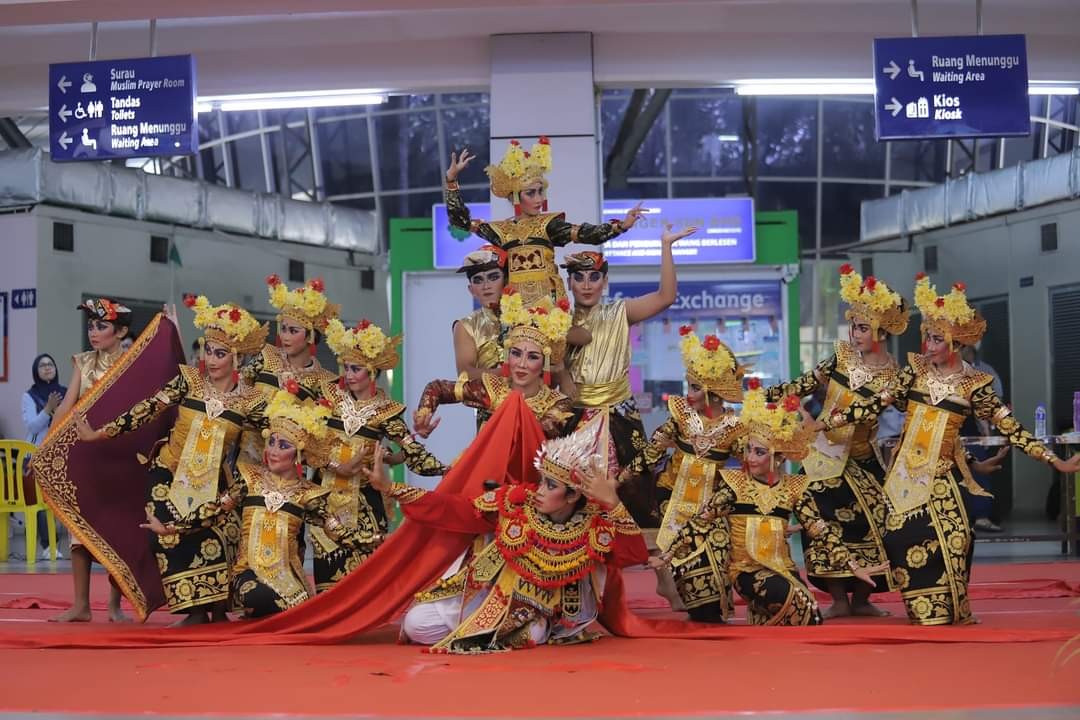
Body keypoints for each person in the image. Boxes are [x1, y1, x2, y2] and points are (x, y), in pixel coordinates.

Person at [817, 275, 1080, 625]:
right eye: (927, 336)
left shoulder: (975, 384)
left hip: (942, 477)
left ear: (956, 342)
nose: (928, 344)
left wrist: (1053, 461)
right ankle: (922, 605)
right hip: (903, 477)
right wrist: (824, 423)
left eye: (937, 338)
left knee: (957, 538)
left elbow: (1010, 427)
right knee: (898, 538)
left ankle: (952, 606)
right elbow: (872, 406)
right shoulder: (914, 373)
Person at [374, 412, 647, 653]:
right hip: (486, 593)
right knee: (416, 624)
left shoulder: (592, 526)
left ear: (573, 495)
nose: (539, 490)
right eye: (542, 481)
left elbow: (634, 554)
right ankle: (480, 633)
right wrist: (391, 489)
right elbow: (456, 509)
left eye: (551, 486)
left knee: (532, 633)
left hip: (535, 610)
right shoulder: (517, 499)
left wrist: (612, 504)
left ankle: (490, 633)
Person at [75, 297, 268, 625]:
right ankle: (193, 611)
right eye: (208, 350)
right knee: (162, 534)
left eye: (220, 353)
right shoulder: (189, 381)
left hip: (216, 481)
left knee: (220, 534)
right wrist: (99, 434)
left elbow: (255, 451)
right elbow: (147, 409)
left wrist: (236, 493)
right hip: (168, 470)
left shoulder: (252, 401)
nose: (212, 359)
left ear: (236, 357)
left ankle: (218, 608)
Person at [653, 383, 884, 626]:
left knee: (810, 613)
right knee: (797, 605)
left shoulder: (795, 489)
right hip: (746, 571)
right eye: (749, 450)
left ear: (779, 457)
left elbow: (821, 531)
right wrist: (667, 555)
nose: (750, 458)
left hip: (783, 569)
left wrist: (854, 566)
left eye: (759, 452)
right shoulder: (735, 485)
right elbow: (701, 521)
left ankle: (765, 618)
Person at [142, 390, 382, 617]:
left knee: (294, 605)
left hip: (289, 580)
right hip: (249, 574)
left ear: (298, 454)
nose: (273, 451)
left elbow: (339, 533)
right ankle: (285, 615)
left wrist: (378, 542)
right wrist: (170, 527)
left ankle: (289, 615)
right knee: (255, 595)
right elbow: (214, 511)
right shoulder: (249, 479)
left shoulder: (308, 495)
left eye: (283, 446)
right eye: (271, 442)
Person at [764, 266, 908, 618]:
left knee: (872, 525)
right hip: (822, 457)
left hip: (863, 458)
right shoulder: (841, 358)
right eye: (853, 327)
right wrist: (760, 396)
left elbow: (904, 411)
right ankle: (839, 600)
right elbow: (801, 386)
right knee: (824, 527)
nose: (855, 334)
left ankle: (862, 599)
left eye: (862, 328)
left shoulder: (895, 374)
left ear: (881, 331)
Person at [559, 223, 697, 526]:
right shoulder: (557, 322)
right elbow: (557, 371)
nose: (586, 284)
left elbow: (665, 297)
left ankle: (647, 563)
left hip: (621, 417)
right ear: (569, 283)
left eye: (594, 277)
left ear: (605, 281)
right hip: (575, 417)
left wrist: (666, 246)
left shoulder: (619, 312)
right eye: (578, 277)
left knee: (636, 494)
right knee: (571, 496)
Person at [619, 327, 748, 621]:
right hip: (671, 496)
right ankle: (682, 593)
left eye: (693, 387)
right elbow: (651, 453)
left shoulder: (735, 428)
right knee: (681, 540)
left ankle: (712, 602)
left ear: (712, 391)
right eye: (687, 386)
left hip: (710, 504)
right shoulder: (681, 416)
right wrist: (620, 480)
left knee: (716, 543)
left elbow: (752, 464)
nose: (687, 394)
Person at [313, 318, 446, 592]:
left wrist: (448, 469)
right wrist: (337, 465)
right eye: (346, 367)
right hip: (324, 498)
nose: (349, 375)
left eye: (356, 369)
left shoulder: (386, 411)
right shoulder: (329, 398)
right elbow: (306, 444)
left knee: (362, 580)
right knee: (327, 578)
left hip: (364, 501)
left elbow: (412, 452)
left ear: (372, 372)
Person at [443, 140, 644, 308]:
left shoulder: (549, 225)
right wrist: (451, 180)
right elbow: (460, 221)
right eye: (531, 193)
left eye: (541, 191)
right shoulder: (500, 230)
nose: (539, 198)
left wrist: (621, 226)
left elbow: (586, 233)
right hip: (515, 308)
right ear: (515, 196)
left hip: (550, 307)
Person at [49, 299, 133, 623]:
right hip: (84, 456)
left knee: (118, 532)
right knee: (77, 529)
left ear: (121, 331)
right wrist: (47, 444)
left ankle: (114, 605)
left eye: (101, 325)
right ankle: (81, 605)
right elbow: (67, 406)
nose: (93, 332)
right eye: (91, 325)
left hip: (118, 457)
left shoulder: (129, 364)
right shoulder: (82, 362)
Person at [414, 289, 575, 440]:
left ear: (545, 363)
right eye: (516, 354)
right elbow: (437, 388)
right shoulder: (493, 389)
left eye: (532, 357)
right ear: (507, 355)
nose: (522, 364)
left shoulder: (556, 402)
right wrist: (424, 414)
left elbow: (533, 437)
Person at [241, 276, 339, 459]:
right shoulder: (266, 355)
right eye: (283, 329)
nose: (285, 336)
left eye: (293, 331)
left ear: (310, 336)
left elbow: (317, 430)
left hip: (285, 464)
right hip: (246, 452)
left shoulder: (324, 381)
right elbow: (240, 389)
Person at [21, 354, 68, 557]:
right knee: (39, 501)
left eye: (51, 364)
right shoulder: (29, 396)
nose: (47, 368)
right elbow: (32, 425)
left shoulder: (67, 392)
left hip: (62, 453)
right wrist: (48, 410)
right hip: (36, 454)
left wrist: (60, 412)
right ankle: (49, 546)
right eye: (42, 365)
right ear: (36, 371)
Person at [959, 344, 1008, 533]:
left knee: (979, 472)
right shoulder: (939, 371)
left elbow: (996, 403)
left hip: (974, 429)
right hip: (947, 430)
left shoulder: (985, 371)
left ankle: (981, 516)